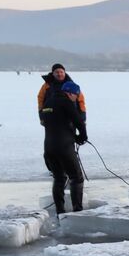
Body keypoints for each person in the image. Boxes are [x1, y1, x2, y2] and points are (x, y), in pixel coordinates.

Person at [37, 64, 89, 213]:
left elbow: (51, 122)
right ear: (70, 93)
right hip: (65, 147)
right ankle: (77, 211)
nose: (75, 98)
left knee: (59, 178)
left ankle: (60, 212)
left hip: (49, 148)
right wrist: (82, 137)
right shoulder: (66, 102)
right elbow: (79, 122)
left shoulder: (48, 103)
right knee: (76, 178)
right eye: (75, 95)